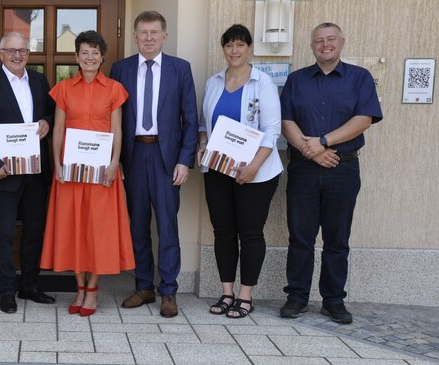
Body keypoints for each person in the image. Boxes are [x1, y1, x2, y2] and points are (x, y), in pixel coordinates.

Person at [278, 23, 382, 324]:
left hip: (343, 167)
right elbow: (286, 121)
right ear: (312, 46)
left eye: (330, 40)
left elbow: (364, 119)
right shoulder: (296, 80)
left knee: (337, 238)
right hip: (303, 169)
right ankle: (296, 297)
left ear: (341, 42)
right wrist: (312, 151)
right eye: (319, 41)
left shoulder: (359, 78)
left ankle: (333, 300)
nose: (325, 45)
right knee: (300, 237)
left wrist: (324, 142)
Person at [110, 10, 198, 318]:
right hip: (133, 156)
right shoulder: (120, 69)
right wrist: (115, 160)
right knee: (136, 226)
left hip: (167, 158)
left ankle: (169, 291)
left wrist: (185, 161)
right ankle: (143, 286)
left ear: (164, 36)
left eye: (154, 33)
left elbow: (191, 120)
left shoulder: (180, 69)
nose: (148, 38)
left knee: (167, 226)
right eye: (143, 33)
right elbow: (113, 119)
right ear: (134, 36)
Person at [41, 31, 135, 317]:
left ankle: (92, 290)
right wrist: (56, 163)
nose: (90, 58)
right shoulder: (64, 88)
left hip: (101, 172)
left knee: (98, 230)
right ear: (77, 56)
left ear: (103, 56)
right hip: (71, 170)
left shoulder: (114, 89)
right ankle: (79, 287)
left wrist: (114, 163)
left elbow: (117, 130)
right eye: (85, 52)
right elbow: (58, 128)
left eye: (95, 53)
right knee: (75, 228)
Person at [197, 24, 283, 319]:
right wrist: (203, 145)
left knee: (249, 233)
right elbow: (203, 125)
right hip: (219, 170)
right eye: (229, 45)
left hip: (255, 174)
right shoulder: (213, 82)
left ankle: (245, 296)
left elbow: (272, 133)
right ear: (223, 49)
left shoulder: (263, 84)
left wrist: (253, 167)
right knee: (223, 232)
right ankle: (226, 292)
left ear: (249, 49)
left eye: (240, 45)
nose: (234, 50)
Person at [0, 32, 57, 314]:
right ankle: (6, 289)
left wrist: (46, 121)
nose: (17, 56)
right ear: (0, 52)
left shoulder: (40, 80)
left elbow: (55, 113)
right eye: (11, 51)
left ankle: (29, 284)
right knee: (4, 233)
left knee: (34, 230)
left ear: (28, 54)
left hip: (35, 171)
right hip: (4, 172)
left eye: (23, 51)